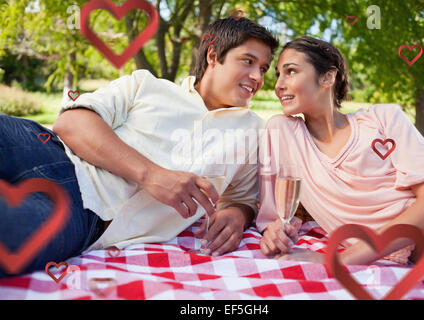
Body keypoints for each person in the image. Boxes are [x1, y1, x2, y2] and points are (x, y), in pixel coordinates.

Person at [0, 17, 278, 277]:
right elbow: (71, 123)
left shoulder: (252, 129)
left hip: (82, 218)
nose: (257, 77)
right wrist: (152, 175)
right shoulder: (145, 85)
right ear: (213, 56)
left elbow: (243, 197)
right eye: (248, 61)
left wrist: (238, 215)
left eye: (263, 68)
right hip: (45, 150)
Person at [257, 36, 424, 270]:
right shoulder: (283, 132)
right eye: (278, 74)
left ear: (328, 77)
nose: (278, 85)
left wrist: (342, 259)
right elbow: (274, 212)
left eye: (291, 71)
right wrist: (274, 230)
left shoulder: (383, 118)